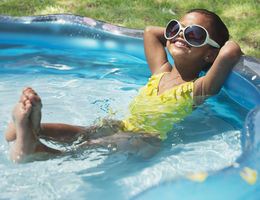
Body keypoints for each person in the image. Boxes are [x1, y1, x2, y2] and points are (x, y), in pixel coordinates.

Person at [5, 9, 242, 162]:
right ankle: (32, 128)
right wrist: (183, 35)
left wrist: (209, 46)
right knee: (88, 130)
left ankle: (39, 152)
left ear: (210, 55)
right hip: (124, 125)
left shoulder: (199, 88)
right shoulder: (160, 72)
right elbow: (150, 32)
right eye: (175, 29)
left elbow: (230, 49)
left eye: (195, 35)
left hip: (147, 139)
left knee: (94, 144)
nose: (180, 36)